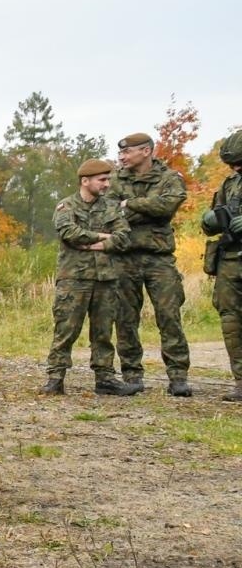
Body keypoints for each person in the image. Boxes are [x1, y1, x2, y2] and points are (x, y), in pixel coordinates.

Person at [40, 160, 136, 396]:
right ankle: (55, 377)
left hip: (106, 278)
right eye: (102, 180)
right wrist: (104, 236)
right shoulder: (66, 206)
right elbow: (69, 234)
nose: (107, 184)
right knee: (66, 329)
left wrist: (95, 246)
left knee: (103, 332)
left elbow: (124, 238)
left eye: (108, 179)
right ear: (85, 181)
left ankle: (105, 379)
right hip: (74, 278)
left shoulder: (112, 207)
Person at [108, 131, 191, 396]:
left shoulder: (169, 178)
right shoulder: (113, 179)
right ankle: (132, 375)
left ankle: (178, 376)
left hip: (159, 258)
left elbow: (167, 208)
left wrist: (129, 204)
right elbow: (109, 213)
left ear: (145, 151)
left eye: (127, 152)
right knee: (125, 318)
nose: (121, 156)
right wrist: (146, 209)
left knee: (169, 316)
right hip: (124, 256)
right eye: (120, 152)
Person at [200, 130, 242, 401]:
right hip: (230, 260)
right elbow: (211, 223)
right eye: (232, 165)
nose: (236, 169)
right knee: (231, 321)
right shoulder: (229, 185)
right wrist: (209, 220)